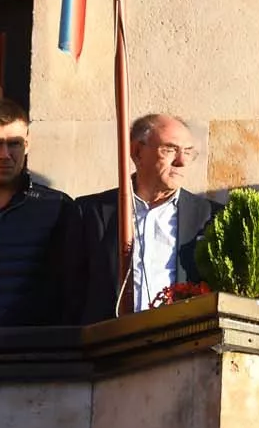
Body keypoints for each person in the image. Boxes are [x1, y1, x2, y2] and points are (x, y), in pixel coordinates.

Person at [77, 113, 221, 321]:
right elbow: (71, 292)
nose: (181, 161)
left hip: (182, 345)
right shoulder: (91, 212)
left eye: (188, 152)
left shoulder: (210, 217)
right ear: (137, 152)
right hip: (109, 344)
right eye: (170, 149)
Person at [0, 98, 77, 325]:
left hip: (26, 351)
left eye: (14, 144)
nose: (4, 155)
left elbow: (73, 292)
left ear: (27, 144)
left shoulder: (57, 209)